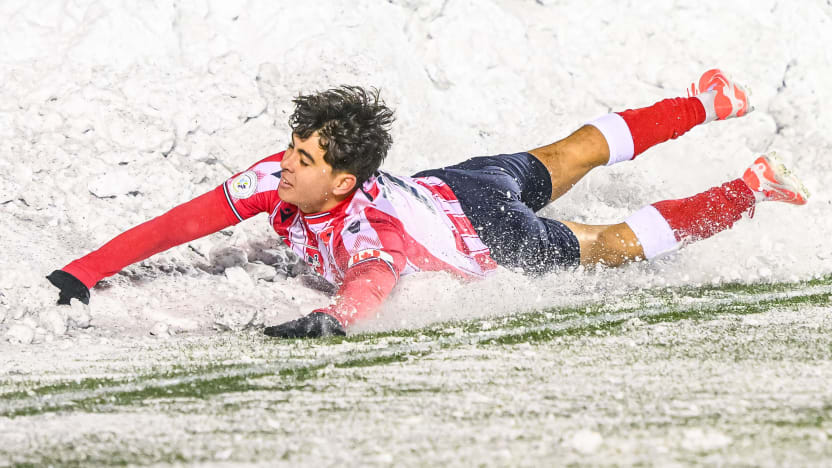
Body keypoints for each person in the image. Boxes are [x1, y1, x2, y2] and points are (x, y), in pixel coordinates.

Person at [46, 69, 809, 338]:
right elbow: (183, 222)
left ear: (342, 181)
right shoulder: (270, 182)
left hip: (492, 228)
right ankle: (707, 102)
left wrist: (333, 320)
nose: (285, 163)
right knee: (567, 151)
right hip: (454, 184)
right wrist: (87, 268)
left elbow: (371, 282)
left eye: (303, 159)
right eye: (293, 147)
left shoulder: (365, 227)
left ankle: (747, 190)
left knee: (608, 243)